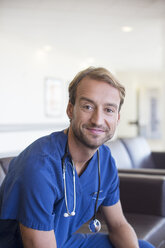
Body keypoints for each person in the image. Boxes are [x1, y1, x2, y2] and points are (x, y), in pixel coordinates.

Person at [0, 67, 155, 248]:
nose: (97, 120)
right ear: (70, 109)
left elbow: (119, 224)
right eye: (88, 106)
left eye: (109, 110)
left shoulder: (104, 160)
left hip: (64, 242)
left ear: (117, 118)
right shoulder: (39, 166)